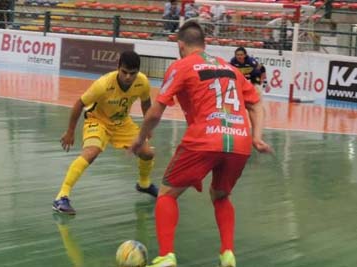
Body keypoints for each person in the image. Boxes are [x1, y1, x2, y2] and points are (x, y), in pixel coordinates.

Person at [131, 21, 273, 267]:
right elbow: (256, 103)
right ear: (204, 43)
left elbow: (156, 111)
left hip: (204, 138)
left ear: (180, 45)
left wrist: (140, 138)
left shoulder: (182, 66)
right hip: (239, 141)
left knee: (166, 194)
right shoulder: (230, 68)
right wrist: (257, 136)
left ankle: (166, 255)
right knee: (221, 195)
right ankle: (227, 254)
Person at [52, 51, 158, 215]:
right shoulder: (103, 84)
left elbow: (146, 103)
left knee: (148, 154)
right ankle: (62, 196)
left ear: (138, 72)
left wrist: (147, 128)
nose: (128, 77)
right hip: (98, 121)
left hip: (122, 123)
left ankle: (144, 184)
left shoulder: (143, 82)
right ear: (118, 68)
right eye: (124, 72)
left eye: (133, 73)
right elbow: (79, 104)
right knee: (91, 153)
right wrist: (70, 131)